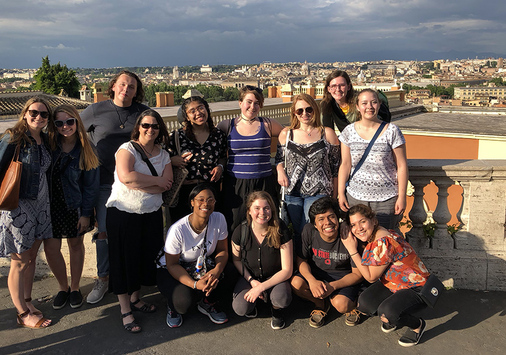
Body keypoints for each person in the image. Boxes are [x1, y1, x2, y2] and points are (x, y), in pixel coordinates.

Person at [81, 70, 149, 304]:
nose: (126, 89)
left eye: (131, 86)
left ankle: (132, 280)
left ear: (136, 91)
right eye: (122, 84)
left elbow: (157, 136)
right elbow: (73, 133)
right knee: (104, 232)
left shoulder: (143, 112)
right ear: (113, 86)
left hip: (135, 182)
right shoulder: (95, 110)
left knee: (133, 232)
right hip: (104, 182)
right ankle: (103, 278)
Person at [106, 109, 172, 333]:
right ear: (138, 127)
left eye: (155, 126)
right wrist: (155, 181)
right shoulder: (127, 149)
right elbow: (126, 176)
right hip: (124, 213)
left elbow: (168, 184)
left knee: (144, 259)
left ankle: (136, 298)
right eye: (146, 125)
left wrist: (143, 182)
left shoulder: (162, 153)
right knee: (123, 261)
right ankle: (125, 310)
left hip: (151, 214)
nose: (150, 130)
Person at [341, 204, 431, 347]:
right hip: (395, 282)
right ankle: (393, 314)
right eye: (353, 225)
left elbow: (370, 277)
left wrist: (352, 249)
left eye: (362, 221)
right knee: (364, 303)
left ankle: (417, 325)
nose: (358, 228)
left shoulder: (383, 242)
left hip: (417, 288)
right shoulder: (379, 233)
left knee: (387, 313)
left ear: (373, 220)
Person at [0, 97, 53, 328]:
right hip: (18, 206)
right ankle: (22, 313)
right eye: (33, 112)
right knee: (19, 261)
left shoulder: (46, 140)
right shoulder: (13, 137)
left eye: (43, 114)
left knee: (31, 258)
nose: (38, 117)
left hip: (41, 206)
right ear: (25, 113)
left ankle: (28, 301)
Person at [43, 105, 100, 310]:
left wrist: (86, 214)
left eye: (69, 121)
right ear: (53, 125)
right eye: (59, 123)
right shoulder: (48, 144)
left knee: (75, 246)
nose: (65, 126)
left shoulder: (87, 149)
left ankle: (75, 288)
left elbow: (91, 187)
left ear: (77, 121)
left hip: (74, 206)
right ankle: (62, 287)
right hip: (49, 206)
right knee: (51, 249)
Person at [156, 184, 230, 328]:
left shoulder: (219, 218)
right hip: (172, 269)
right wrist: (195, 284)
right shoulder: (178, 229)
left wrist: (216, 271)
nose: (205, 204)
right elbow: (172, 264)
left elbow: (222, 251)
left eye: (210, 200)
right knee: (182, 303)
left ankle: (206, 303)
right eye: (200, 199)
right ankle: (173, 306)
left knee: (230, 272)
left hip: (200, 266)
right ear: (192, 202)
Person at [338, 88, 408, 230]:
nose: (369, 107)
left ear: (379, 105)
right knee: (359, 239)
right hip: (356, 196)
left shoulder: (392, 131)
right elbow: (345, 164)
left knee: (385, 241)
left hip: (386, 198)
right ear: (357, 107)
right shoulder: (348, 132)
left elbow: (401, 166)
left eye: (373, 102)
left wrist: (402, 196)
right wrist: (340, 193)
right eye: (364, 103)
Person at [217, 86, 284, 232]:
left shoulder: (268, 124)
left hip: (264, 182)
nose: (252, 106)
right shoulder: (226, 125)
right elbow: (215, 149)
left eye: (257, 103)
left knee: (266, 224)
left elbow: (289, 136)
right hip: (235, 184)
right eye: (249, 102)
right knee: (235, 224)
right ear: (240, 102)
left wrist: (280, 165)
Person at [291, 197, 362, 328]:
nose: (327, 222)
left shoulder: (347, 234)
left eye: (331, 217)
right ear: (314, 224)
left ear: (338, 218)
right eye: (321, 219)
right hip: (317, 274)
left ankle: (354, 303)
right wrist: (311, 280)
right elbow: (301, 260)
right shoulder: (308, 231)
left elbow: (357, 274)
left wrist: (333, 286)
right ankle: (320, 304)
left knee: (342, 305)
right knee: (296, 283)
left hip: (342, 278)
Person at [275, 93, 340, 238]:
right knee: (298, 231)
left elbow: (336, 167)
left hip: (319, 191)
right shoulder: (287, 134)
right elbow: (279, 159)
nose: (305, 114)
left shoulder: (327, 133)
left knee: (309, 229)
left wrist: (335, 196)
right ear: (294, 113)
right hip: (292, 191)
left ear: (315, 110)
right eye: (300, 111)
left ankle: (309, 259)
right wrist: (280, 170)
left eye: (309, 109)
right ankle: (300, 259)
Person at [231, 191, 293, 330]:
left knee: (281, 298)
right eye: (257, 208)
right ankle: (254, 305)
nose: (262, 212)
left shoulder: (280, 229)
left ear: (272, 209)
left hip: (275, 276)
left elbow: (287, 270)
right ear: (249, 211)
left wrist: (261, 287)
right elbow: (236, 260)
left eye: (266, 208)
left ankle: (276, 310)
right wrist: (252, 282)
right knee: (240, 308)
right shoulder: (240, 231)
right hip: (250, 276)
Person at [167, 96, 227, 221]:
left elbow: (222, 157)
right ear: (186, 117)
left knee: (211, 229)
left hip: (210, 192)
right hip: (185, 193)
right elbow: (161, 159)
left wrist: (220, 167)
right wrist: (173, 160)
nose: (198, 113)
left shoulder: (218, 135)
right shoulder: (176, 136)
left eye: (201, 108)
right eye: (192, 111)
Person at [321, 70, 391, 133]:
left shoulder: (359, 101)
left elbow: (374, 124)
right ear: (328, 89)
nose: (338, 89)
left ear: (348, 87)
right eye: (333, 86)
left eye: (342, 85)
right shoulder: (327, 105)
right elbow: (327, 130)